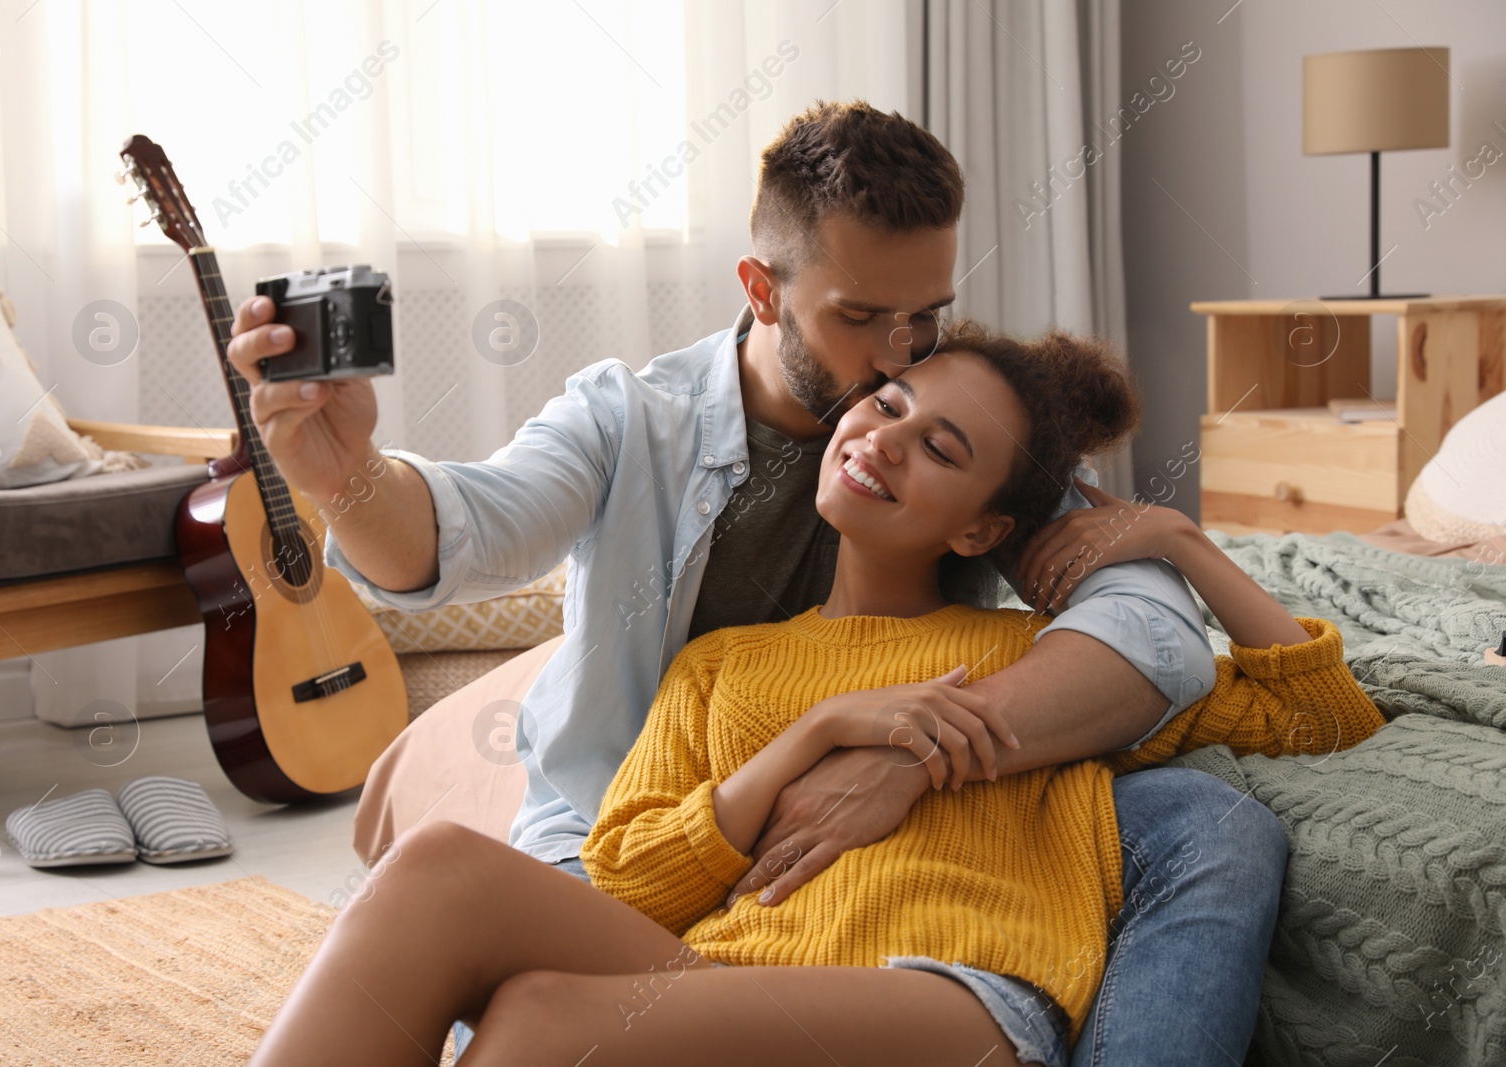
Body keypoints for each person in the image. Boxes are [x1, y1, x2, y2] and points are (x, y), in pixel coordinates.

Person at [226, 101, 1282, 1062]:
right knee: (440, 885)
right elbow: (459, 532)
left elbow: (1154, 634)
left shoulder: (941, 435)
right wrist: (347, 477)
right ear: (760, 288)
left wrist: (915, 757)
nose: (897, 355)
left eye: (925, 315)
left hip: (869, 914)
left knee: (1198, 813)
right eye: (861, 317)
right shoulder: (635, 421)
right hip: (629, 869)